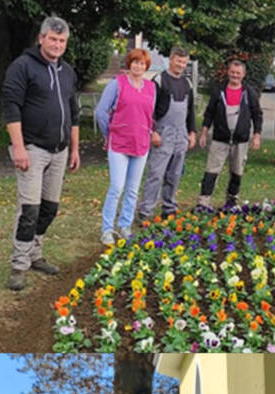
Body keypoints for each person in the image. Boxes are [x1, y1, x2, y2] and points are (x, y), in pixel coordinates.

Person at [2, 16, 80, 291]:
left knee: (49, 208)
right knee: (29, 210)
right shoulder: (22, 67)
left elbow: (73, 113)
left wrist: (74, 148)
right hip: (32, 149)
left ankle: (35, 254)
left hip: (60, 151)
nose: (58, 44)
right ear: (41, 38)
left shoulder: (68, 72)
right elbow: (11, 107)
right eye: (53, 39)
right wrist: (19, 147)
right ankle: (19, 265)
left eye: (62, 41)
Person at [95, 48, 158, 245]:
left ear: (146, 66)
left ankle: (125, 225)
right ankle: (107, 229)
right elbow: (101, 112)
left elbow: (149, 116)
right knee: (117, 187)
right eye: (135, 62)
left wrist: (150, 132)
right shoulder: (117, 84)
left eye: (142, 63)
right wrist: (109, 133)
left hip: (141, 145)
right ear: (129, 64)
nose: (138, 66)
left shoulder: (151, 88)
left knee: (132, 189)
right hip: (119, 144)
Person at [137, 46, 196, 222]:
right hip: (163, 133)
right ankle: (145, 211)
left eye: (184, 62)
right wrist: (152, 131)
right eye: (178, 61)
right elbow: (149, 110)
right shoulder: (159, 80)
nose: (181, 65)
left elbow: (190, 111)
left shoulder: (187, 83)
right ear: (170, 60)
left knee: (175, 173)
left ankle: (169, 208)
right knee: (156, 173)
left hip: (181, 134)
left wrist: (192, 132)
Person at [197, 59, 262, 209]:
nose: (235, 75)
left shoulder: (249, 93)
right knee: (211, 170)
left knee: (237, 171)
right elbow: (209, 113)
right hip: (220, 138)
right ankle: (204, 202)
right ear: (228, 72)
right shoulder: (219, 92)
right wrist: (204, 132)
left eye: (238, 73)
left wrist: (257, 135)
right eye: (232, 72)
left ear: (243, 74)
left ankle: (231, 201)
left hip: (241, 140)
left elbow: (257, 115)